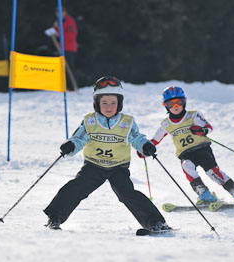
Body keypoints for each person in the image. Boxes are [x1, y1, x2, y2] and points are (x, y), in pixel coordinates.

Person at [43, 76, 170, 232]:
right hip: (93, 165)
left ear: (119, 104)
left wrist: (145, 146)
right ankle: (54, 218)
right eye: (104, 103)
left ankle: (156, 222)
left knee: (126, 194)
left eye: (113, 103)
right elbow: (79, 138)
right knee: (76, 188)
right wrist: (70, 146)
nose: (109, 107)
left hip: (118, 167)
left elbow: (136, 137)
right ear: (97, 103)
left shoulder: (126, 122)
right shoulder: (90, 121)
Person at [141, 86, 234, 205]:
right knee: (186, 166)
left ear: (184, 102)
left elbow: (208, 128)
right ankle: (205, 194)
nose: (176, 107)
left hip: (202, 149)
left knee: (212, 173)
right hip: (185, 153)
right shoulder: (166, 124)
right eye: (171, 104)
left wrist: (201, 130)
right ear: (165, 105)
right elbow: (155, 140)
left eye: (179, 102)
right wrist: (145, 148)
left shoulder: (193, 116)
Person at [45, 6, 78, 90]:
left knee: (69, 66)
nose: (59, 15)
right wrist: (54, 29)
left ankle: (72, 86)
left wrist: (59, 34)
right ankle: (65, 86)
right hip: (61, 47)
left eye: (61, 13)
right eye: (57, 13)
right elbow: (56, 31)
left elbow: (71, 35)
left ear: (64, 12)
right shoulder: (58, 22)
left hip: (69, 47)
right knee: (62, 67)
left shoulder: (69, 21)